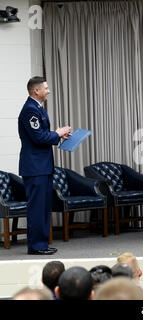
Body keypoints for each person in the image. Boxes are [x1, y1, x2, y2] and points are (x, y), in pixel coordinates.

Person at [18, 76, 71, 255]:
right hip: (35, 168)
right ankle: (36, 246)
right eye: (46, 88)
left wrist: (57, 136)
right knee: (37, 208)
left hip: (42, 166)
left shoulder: (37, 108)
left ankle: (41, 244)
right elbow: (38, 137)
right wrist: (57, 133)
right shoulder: (30, 111)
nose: (48, 91)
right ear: (37, 91)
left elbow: (41, 134)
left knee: (43, 207)